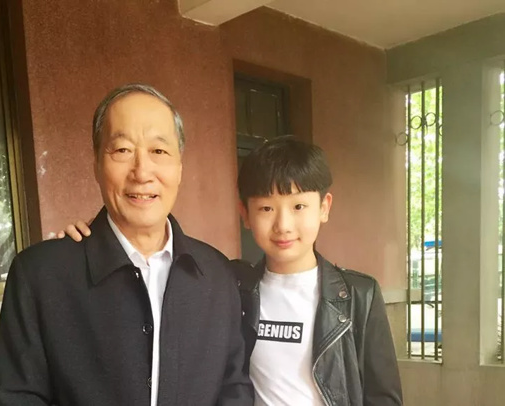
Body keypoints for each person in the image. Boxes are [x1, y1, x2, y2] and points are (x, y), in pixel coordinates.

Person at [61, 136, 403, 405]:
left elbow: (383, 398)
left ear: (324, 207)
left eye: (299, 206)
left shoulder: (357, 296)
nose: (283, 225)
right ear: (245, 214)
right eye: (266, 208)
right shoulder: (231, 283)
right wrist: (94, 241)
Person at [0, 83, 253, 406]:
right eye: (122, 150)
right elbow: (19, 397)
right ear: (96, 165)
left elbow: (234, 387)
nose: (142, 172)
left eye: (159, 151)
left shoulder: (216, 274)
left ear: (179, 168)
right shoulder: (40, 275)